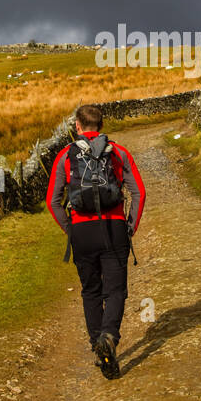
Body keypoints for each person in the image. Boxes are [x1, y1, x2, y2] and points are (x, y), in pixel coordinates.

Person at [46, 104, 146, 379]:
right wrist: (130, 226)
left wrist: (71, 230)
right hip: (113, 228)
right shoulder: (118, 153)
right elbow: (139, 192)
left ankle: (97, 348)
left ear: (77, 126)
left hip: (82, 232)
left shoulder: (66, 156)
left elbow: (53, 201)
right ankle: (109, 337)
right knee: (115, 290)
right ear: (100, 126)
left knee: (91, 291)